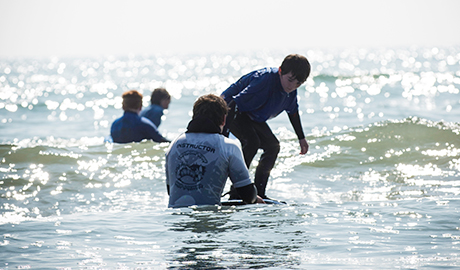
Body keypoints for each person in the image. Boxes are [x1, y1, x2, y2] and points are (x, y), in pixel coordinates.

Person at [221, 54, 311, 200]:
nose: (292, 86)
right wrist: (222, 137)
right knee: (252, 143)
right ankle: (237, 191)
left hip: (252, 116)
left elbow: (293, 113)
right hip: (231, 111)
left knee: (273, 146)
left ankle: (260, 193)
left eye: (298, 83)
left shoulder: (291, 91)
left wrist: (301, 138)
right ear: (281, 71)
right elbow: (234, 104)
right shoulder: (265, 79)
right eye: (290, 80)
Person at [165, 94, 264, 208]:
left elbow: (171, 190)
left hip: (177, 221)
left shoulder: (175, 144)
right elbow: (247, 195)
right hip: (210, 220)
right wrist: (255, 198)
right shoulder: (228, 146)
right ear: (223, 119)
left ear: (194, 116)